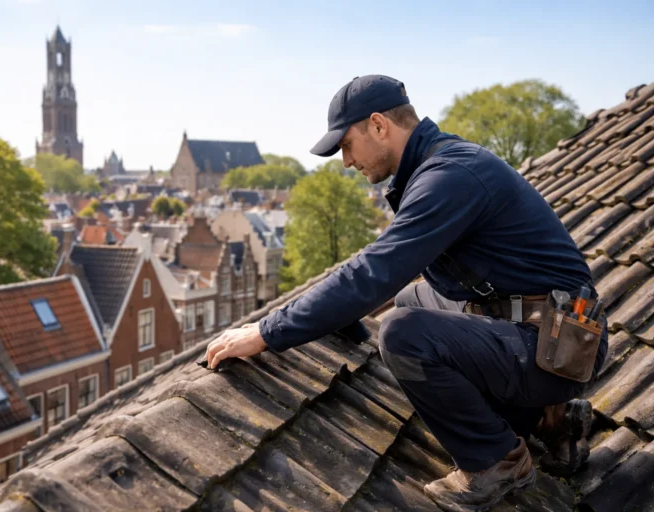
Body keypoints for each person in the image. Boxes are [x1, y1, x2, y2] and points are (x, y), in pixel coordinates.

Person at [205, 75, 606, 511]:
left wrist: (269, 331)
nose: (344, 161)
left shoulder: (450, 175)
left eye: (346, 144)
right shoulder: (435, 166)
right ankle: (549, 418)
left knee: (402, 333)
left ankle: (497, 461)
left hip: (560, 347)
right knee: (412, 302)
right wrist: (336, 313)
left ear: (378, 126)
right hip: (535, 327)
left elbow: (377, 270)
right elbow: (392, 269)